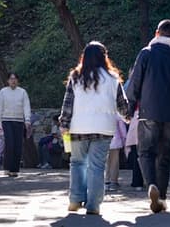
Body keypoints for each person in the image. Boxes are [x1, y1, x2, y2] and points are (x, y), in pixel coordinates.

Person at [125, 19, 170, 213]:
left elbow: (135, 83)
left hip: (148, 113)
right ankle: (161, 197)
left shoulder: (146, 53)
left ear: (157, 33)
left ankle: (151, 184)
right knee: (164, 157)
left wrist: (129, 108)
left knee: (145, 152)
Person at [59, 41, 129, 216]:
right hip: (103, 129)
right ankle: (93, 205)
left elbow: (68, 103)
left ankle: (75, 199)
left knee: (77, 163)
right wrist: (127, 117)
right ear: (104, 57)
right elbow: (122, 104)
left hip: (78, 127)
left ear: (84, 57)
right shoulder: (113, 79)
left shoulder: (75, 76)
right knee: (97, 166)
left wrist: (64, 123)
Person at [0, 72, 31, 177]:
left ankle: (15, 169)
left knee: (18, 145)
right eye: (11, 79)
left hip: (19, 121)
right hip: (6, 120)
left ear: (17, 80)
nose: (13, 81)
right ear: (8, 81)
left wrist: (27, 120)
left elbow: (26, 106)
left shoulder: (23, 92)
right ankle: (7, 167)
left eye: (15, 79)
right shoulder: (3, 92)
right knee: (9, 144)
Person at [105, 115, 127, 190]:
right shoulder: (116, 113)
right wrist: (124, 139)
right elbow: (122, 128)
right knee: (114, 163)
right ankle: (113, 182)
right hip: (115, 141)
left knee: (104, 162)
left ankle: (106, 181)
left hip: (102, 141)